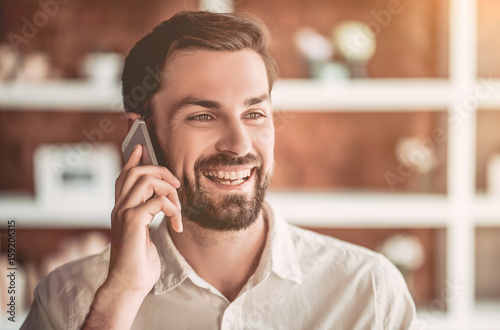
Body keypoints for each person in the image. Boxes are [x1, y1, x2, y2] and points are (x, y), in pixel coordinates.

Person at [22, 11, 417, 329]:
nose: (240, 144)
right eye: (203, 115)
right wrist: (121, 296)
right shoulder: (67, 301)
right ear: (140, 136)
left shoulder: (370, 291)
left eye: (255, 113)